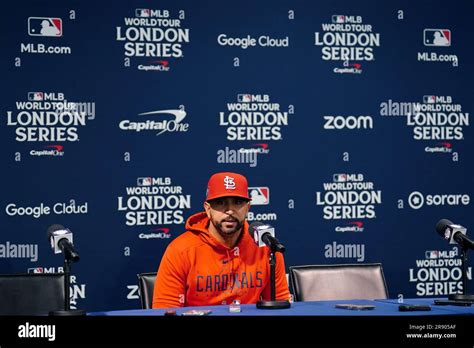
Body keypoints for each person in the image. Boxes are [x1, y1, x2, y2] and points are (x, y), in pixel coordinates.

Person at [152, 172, 290, 308]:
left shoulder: (266, 246)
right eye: (220, 203)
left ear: (248, 208)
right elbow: (165, 309)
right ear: (208, 209)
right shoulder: (180, 250)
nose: (230, 210)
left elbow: (280, 305)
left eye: (237, 202)